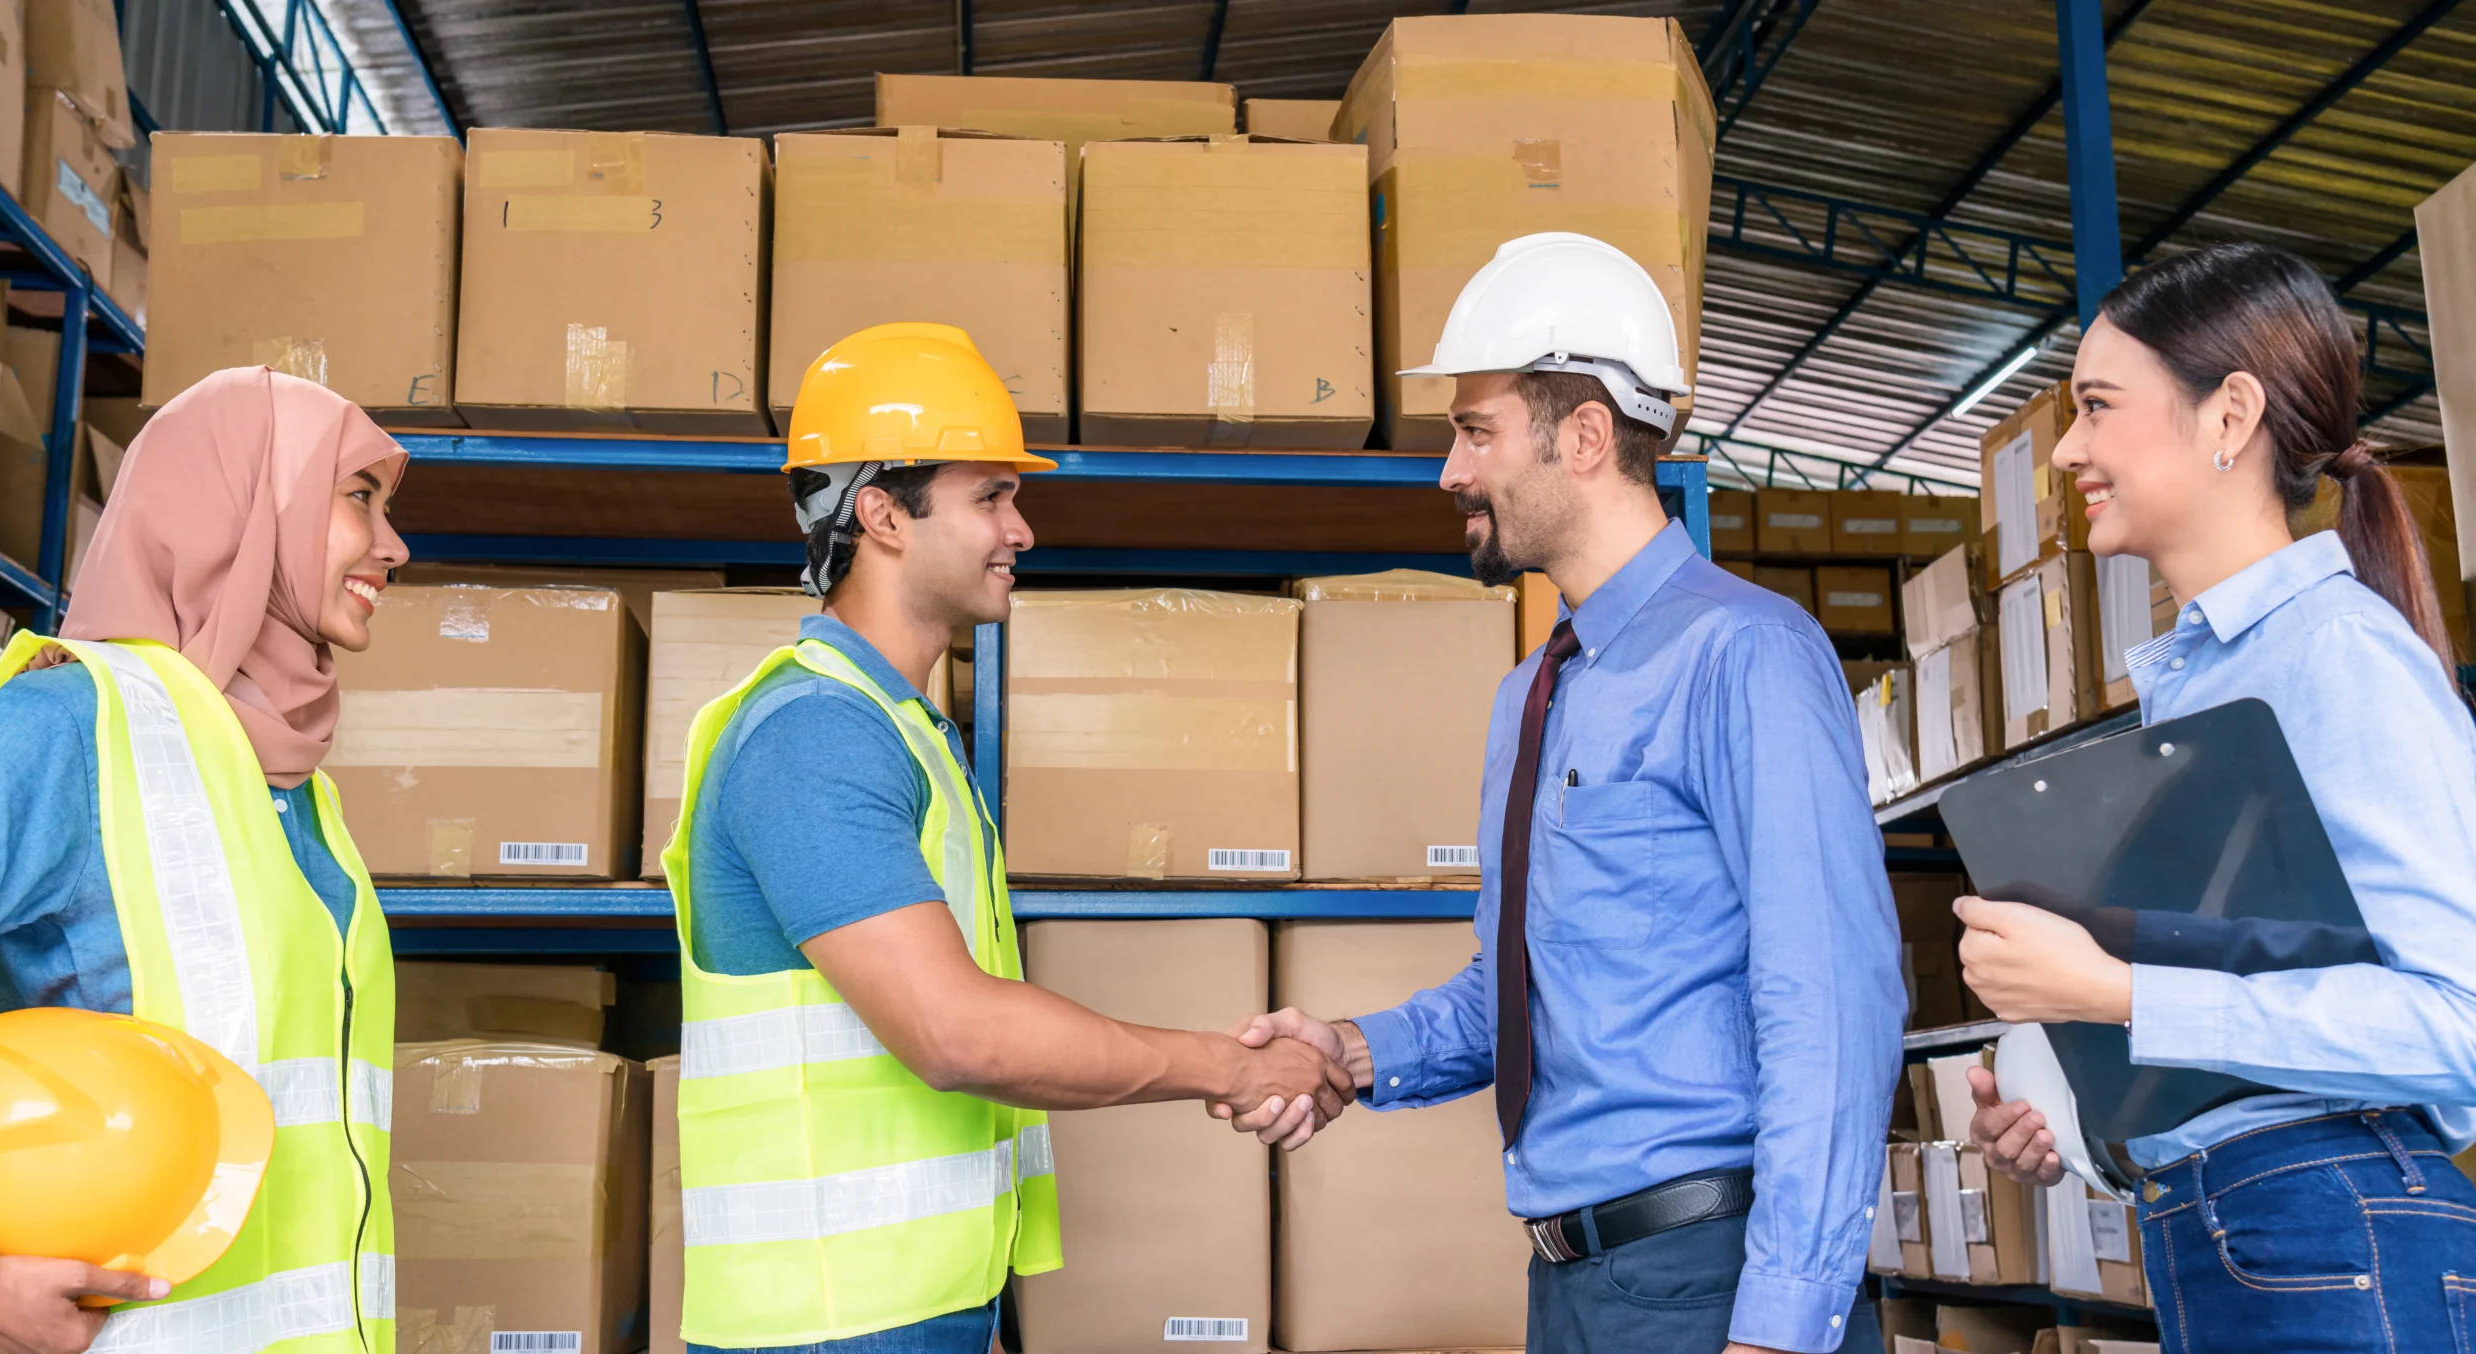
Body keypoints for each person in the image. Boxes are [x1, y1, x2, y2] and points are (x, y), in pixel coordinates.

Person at [1224, 233, 1904, 1354]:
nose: (1450, 471)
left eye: (1475, 431)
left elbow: (1831, 1004)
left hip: (1712, 1282)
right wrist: (1349, 1049)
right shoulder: (1532, 696)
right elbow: (1516, 994)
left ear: (1584, 436)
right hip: (1574, 1287)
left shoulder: (1745, 656)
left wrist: (1781, 1326)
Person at [661, 322, 1354, 1354]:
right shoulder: (813, 735)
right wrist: (1233, 1065)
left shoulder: (907, 730)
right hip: (828, 1319)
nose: (1020, 528)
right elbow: (959, 1033)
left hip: (911, 1303)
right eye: (990, 495)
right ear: (882, 513)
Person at [1957, 241, 2476, 1352]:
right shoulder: (2203, 682)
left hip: (2329, 1228)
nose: (2069, 452)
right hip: (2241, 1225)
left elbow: (2459, 1021)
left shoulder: (2334, 655)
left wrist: (2120, 993)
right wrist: (2081, 1113)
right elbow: (2255, 993)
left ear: (2227, 416)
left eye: (2096, 407)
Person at [0, 365, 409, 1354]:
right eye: (358, 496)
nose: (394, 545)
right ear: (244, 508)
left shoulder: (298, 791)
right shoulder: (69, 729)